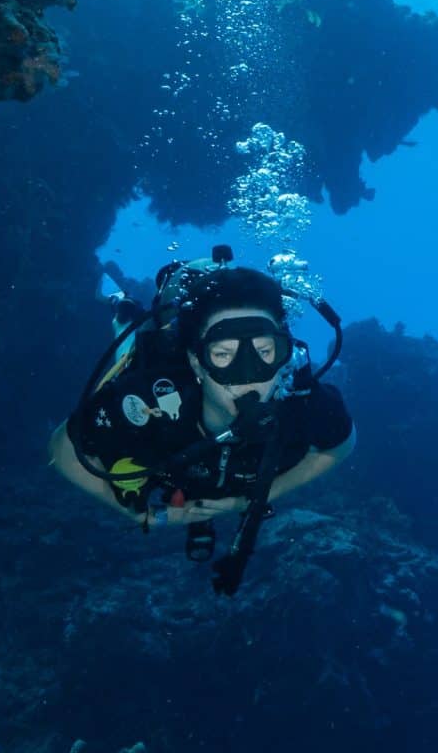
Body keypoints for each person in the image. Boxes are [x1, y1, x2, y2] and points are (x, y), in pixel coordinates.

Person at [49, 252, 354, 592]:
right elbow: (62, 448)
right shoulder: (150, 395)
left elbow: (342, 444)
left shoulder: (300, 398)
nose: (248, 376)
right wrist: (139, 514)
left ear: (284, 352)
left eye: (265, 351)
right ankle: (121, 304)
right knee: (129, 348)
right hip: (161, 405)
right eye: (223, 355)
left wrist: (252, 498)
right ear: (196, 362)